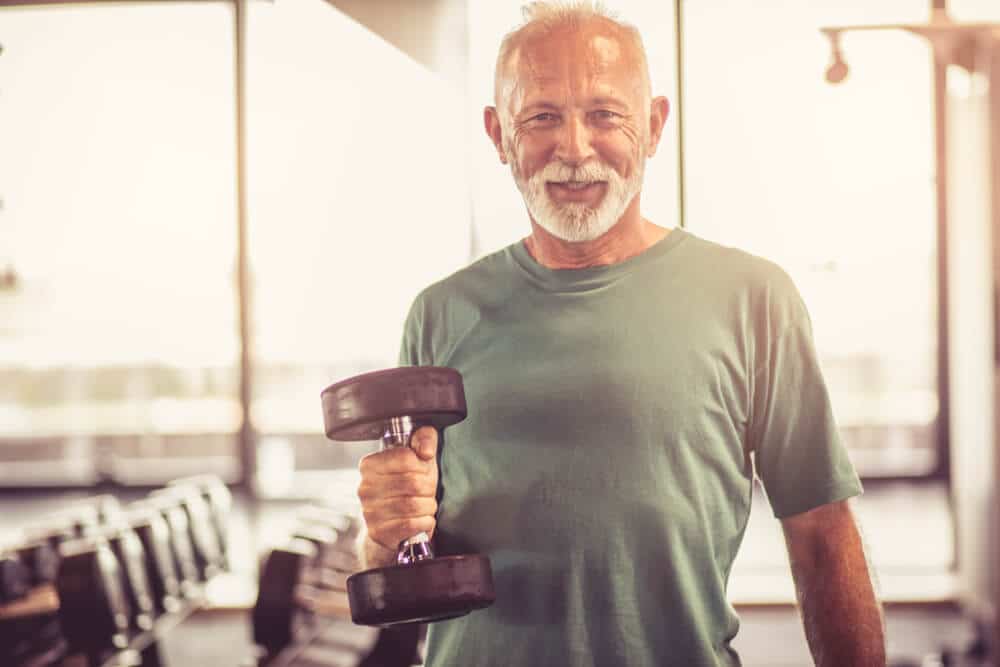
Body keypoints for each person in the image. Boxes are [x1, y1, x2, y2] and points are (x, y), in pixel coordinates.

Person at [355, 2, 886, 665]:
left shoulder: (753, 299)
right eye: (541, 116)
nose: (575, 148)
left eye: (605, 114)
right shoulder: (438, 314)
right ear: (497, 135)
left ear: (655, 124)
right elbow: (406, 551)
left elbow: (821, 536)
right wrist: (379, 536)